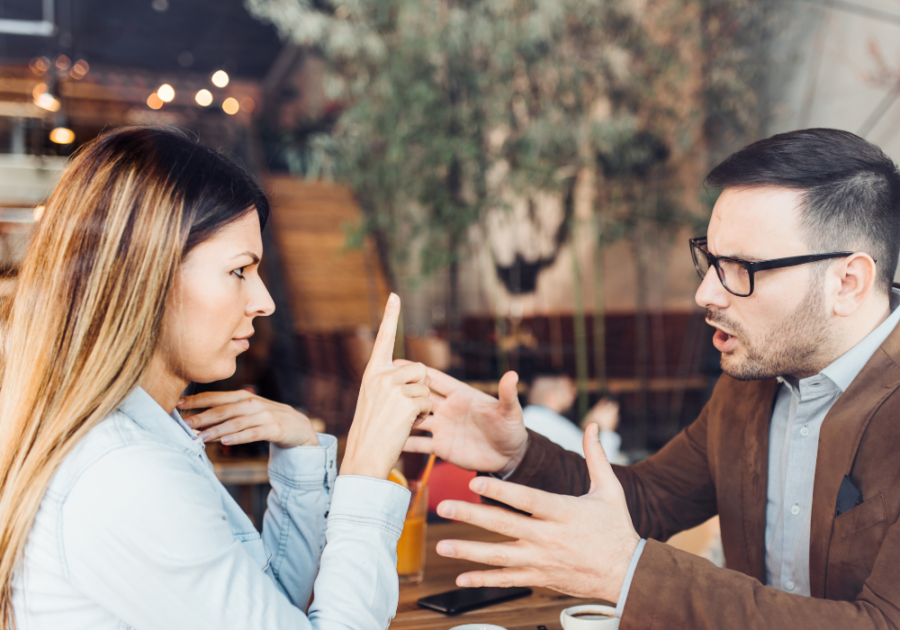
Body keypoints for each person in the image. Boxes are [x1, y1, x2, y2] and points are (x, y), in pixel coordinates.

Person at [404, 128, 900, 629]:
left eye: (741, 268)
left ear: (847, 283)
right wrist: (518, 453)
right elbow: (648, 499)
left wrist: (630, 574)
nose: (706, 293)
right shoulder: (752, 383)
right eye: (711, 260)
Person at [0, 126, 432, 630]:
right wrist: (364, 471)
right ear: (148, 276)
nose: (264, 301)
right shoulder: (125, 475)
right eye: (239, 271)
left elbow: (266, 607)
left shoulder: (144, 437)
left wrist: (300, 450)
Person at [522, 373, 623, 463]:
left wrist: (587, 428)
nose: (574, 392)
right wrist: (607, 431)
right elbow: (600, 468)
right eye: (569, 388)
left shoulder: (531, 418)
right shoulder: (548, 422)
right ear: (551, 396)